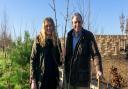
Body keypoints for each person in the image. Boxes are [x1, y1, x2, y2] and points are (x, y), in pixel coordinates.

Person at [64, 12, 103, 89]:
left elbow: (95, 54)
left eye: (79, 22)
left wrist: (98, 69)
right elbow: (67, 56)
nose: (77, 24)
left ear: (82, 22)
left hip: (83, 79)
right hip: (70, 78)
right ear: (72, 23)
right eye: (75, 22)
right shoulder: (69, 36)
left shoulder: (88, 35)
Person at [30, 17, 62, 89]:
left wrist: (62, 56)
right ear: (43, 27)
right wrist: (33, 81)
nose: (48, 28)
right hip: (41, 79)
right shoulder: (38, 39)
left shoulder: (56, 41)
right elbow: (32, 59)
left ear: (53, 27)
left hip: (53, 79)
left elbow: (59, 63)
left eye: (50, 25)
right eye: (46, 26)